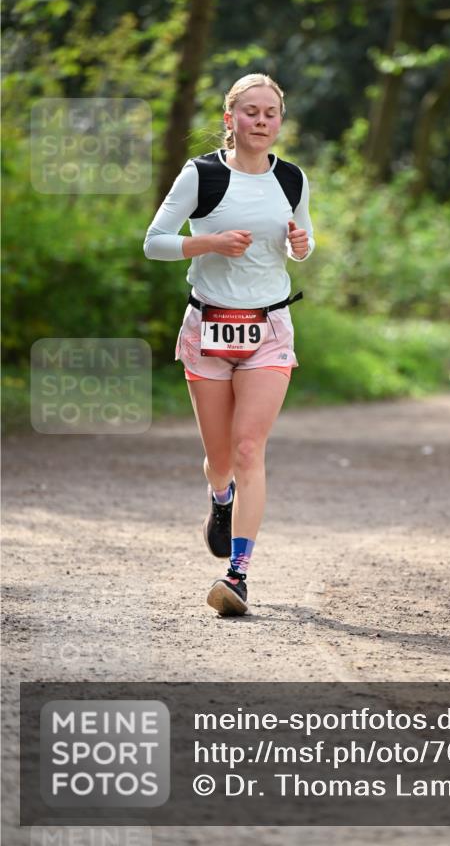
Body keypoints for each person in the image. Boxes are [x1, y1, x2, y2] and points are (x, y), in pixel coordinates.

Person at [144, 73, 314, 614]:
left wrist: (303, 244)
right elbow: (155, 243)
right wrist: (208, 242)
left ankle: (237, 575)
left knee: (248, 450)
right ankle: (221, 500)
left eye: (270, 113)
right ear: (229, 118)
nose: (261, 122)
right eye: (250, 112)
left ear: (280, 121)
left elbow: (300, 246)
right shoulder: (201, 175)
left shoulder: (292, 179)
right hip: (209, 326)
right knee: (220, 460)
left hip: (268, 328)